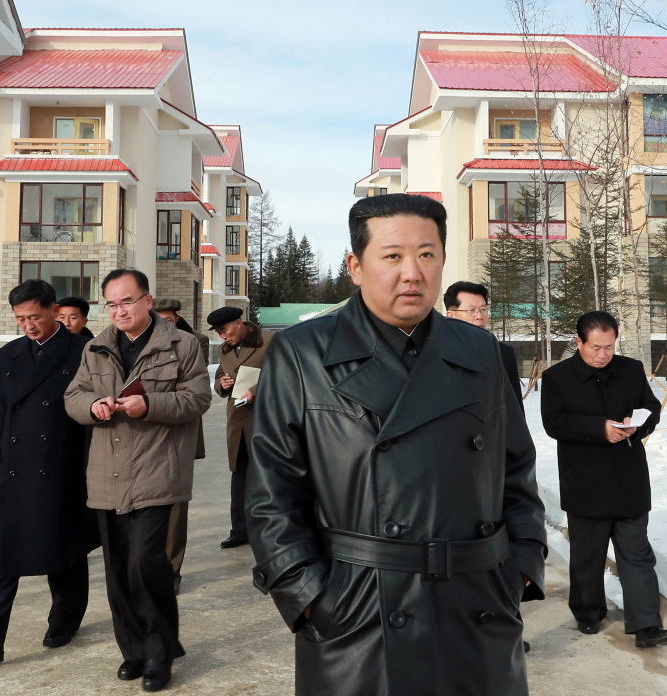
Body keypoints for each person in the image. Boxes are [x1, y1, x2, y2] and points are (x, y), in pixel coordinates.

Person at [246, 194, 546, 695]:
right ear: (355, 266)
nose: (412, 272)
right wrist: (310, 597)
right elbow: (271, 496)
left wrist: (519, 572)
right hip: (360, 611)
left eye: (426, 254)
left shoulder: (483, 352)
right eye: (392, 256)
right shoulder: (303, 354)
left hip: (476, 602)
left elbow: (517, 472)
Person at [65, 269, 212, 692]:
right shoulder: (95, 348)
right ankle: (132, 650)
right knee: (117, 571)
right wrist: (94, 405)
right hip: (107, 473)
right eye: (111, 304)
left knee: (146, 563)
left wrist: (147, 405)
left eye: (126, 301)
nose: (119, 311)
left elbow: (198, 398)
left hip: (157, 468)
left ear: (147, 301)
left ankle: (160, 653)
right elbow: (72, 397)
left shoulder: (182, 345)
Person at [0, 279, 98, 665]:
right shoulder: (9, 354)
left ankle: (65, 619)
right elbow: (3, 414)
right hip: (15, 470)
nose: (28, 325)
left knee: (64, 551)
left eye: (35, 316)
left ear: (53, 310)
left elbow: (91, 421)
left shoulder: (85, 351)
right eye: (20, 319)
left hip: (62, 468)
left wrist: (89, 473)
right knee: (2, 553)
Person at [540, 310, 667, 648]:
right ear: (579, 342)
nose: (603, 354)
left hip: (627, 477)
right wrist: (598, 428)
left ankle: (647, 625)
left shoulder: (630, 369)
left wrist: (639, 424)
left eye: (609, 347)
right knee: (588, 556)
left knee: (636, 554)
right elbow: (553, 423)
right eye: (596, 347)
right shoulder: (557, 377)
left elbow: (651, 406)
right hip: (585, 479)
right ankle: (588, 613)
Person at [152, 296, 208, 592]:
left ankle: (171, 573)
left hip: (178, 430)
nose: (165, 323)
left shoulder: (194, 342)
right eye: (159, 318)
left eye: (169, 318)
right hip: (143, 431)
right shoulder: (136, 341)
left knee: (174, 505)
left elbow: (190, 390)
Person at [209, 306, 273, 549]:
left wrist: (255, 391)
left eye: (224, 330)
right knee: (240, 477)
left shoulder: (269, 341)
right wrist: (222, 384)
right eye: (218, 333)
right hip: (238, 420)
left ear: (238, 323)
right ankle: (239, 530)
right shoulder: (225, 350)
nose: (222, 336)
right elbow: (219, 377)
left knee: (268, 477)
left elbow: (284, 373)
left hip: (265, 420)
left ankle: (270, 529)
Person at [443, 281, 521, 402]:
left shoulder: (504, 353)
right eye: (471, 310)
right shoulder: (437, 352)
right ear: (450, 315)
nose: (479, 316)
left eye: (483, 309)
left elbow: (515, 407)